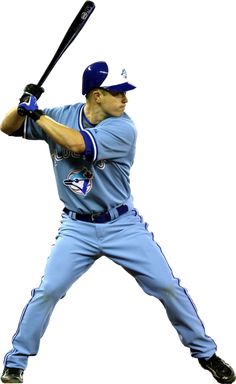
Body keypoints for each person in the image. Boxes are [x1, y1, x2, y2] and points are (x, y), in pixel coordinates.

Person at [0, 61, 235, 384]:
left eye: (124, 93)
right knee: (48, 290)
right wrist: (22, 105)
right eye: (118, 93)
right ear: (96, 96)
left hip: (121, 225)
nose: (125, 99)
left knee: (167, 286)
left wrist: (38, 115)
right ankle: (16, 361)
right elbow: (7, 127)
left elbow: (77, 144)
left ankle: (206, 353)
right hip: (77, 227)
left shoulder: (123, 128)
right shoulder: (62, 115)